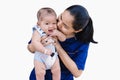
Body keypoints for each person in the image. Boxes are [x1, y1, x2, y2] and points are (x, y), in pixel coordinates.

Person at [28, 5, 97, 80]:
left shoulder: (82, 43)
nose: (58, 24)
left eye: (65, 26)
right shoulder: (51, 24)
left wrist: (58, 47)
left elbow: (77, 73)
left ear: (77, 30)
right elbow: (30, 48)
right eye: (60, 18)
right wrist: (39, 44)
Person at [30, 7, 66, 80]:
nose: (51, 26)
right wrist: (44, 50)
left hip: (53, 57)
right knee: (40, 73)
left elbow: (63, 39)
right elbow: (35, 43)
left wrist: (58, 33)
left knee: (57, 71)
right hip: (40, 58)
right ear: (39, 24)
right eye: (47, 23)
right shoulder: (37, 32)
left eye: (54, 23)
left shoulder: (55, 31)